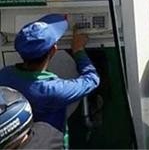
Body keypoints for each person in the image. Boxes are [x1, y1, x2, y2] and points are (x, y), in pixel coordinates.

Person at [0, 15, 100, 146]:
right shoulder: (54, 90)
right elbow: (92, 79)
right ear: (53, 50)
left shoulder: (4, 75)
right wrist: (78, 50)